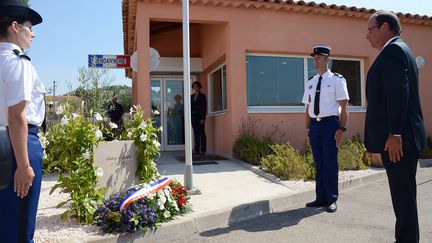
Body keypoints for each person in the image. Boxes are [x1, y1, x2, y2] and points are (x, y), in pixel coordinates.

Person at [364, 11, 427, 243]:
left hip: (399, 139)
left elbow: (398, 94)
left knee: (403, 197)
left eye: (369, 30)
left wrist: (395, 133)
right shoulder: (403, 50)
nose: (367, 36)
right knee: (404, 196)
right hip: (403, 136)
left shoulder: (392, 52)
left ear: (385, 27)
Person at [0, 1, 45, 242]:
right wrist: (23, 165)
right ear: (15, 27)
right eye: (30, 27)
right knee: (19, 225)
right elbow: (17, 115)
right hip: (19, 143)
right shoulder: (18, 63)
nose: (33, 33)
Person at [302, 45, 349, 213]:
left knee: (330, 163)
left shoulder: (337, 80)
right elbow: (307, 110)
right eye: (314, 57)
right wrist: (308, 130)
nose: (316, 59)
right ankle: (320, 197)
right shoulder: (311, 82)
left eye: (319, 56)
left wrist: (342, 129)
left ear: (327, 59)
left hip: (330, 125)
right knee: (319, 163)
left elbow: (344, 107)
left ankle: (331, 199)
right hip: (315, 126)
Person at [191, 81, 207, 155]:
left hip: (200, 117)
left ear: (199, 87)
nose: (195, 87)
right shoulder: (192, 96)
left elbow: (204, 108)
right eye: (194, 86)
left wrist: (203, 118)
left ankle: (203, 150)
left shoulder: (202, 96)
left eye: (197, 86)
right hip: (193, 117)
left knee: (202, 133)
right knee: (196, 133)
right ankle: (196, 150)